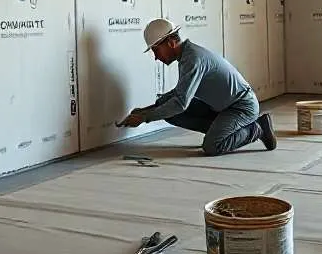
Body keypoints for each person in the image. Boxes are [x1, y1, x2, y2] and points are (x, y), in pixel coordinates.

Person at [118, 18, 277, 156]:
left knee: (212, 146)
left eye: (156, 50)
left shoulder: (193, 59)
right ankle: (221, 129)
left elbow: (181, 103)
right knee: (165, 108)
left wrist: (144, 117)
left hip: (241, 107)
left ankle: (258, 128)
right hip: (222, 107)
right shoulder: (187, 56)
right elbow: (179, 94)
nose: (156, 57)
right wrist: (145, 111)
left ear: (171, 43)